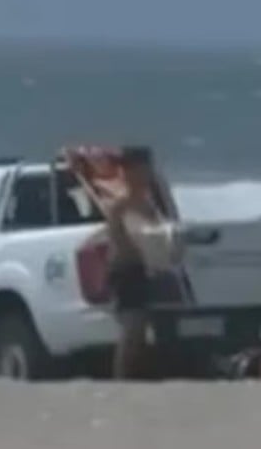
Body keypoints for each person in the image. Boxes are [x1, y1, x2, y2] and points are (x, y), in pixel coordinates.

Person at [103, 147, 181, 379]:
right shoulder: (119, 204)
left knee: (146, 329)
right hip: (125, 270)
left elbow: (168, 229)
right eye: (135, 170)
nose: (141, 175)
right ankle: (121, 378)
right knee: (132, 328)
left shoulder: (152, 202)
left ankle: (139, 376)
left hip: (148, 270)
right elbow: (118, 239)